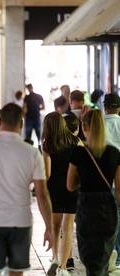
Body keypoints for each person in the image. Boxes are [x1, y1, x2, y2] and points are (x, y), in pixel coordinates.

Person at [0, 103, 53, 276]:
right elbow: (42, 194)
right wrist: (49, 228)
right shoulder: (32, 153)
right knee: (16, 273)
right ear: (21, 124)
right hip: (20, 221)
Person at [67, 109, 120, 276]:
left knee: (90, 259)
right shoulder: (114, 153)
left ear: (84, 127)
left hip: (86, 209)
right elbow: (119, 190)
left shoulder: (79, 152)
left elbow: (70, 185)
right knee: (102, 258)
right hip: (107, 209)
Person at [42, 112, 81, 276]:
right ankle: (64, 267)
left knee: (55, 226)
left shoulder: (47, 144)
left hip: (54, 188)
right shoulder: (76, 141)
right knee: (68, 227)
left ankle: (55, 259)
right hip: (72, 187)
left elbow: (47, 173)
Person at [103, 93, 120, 268]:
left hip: (103, 178)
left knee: (105, 216)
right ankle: (118, 254)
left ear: (104, 106)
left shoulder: (98, 125)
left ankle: (108, 252)